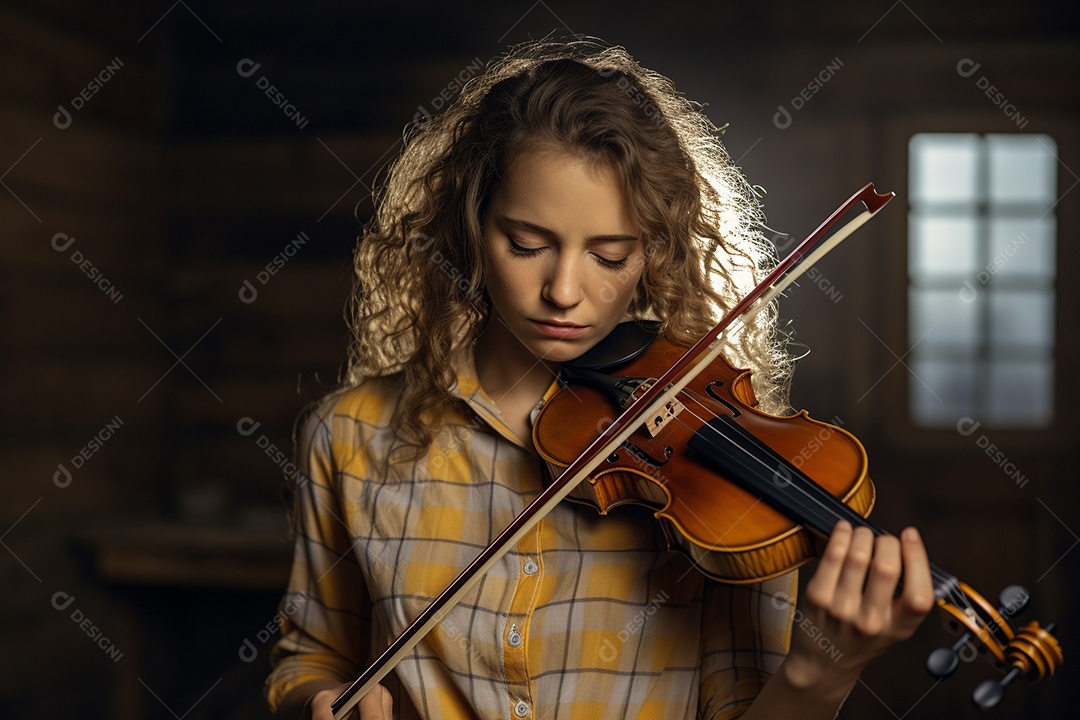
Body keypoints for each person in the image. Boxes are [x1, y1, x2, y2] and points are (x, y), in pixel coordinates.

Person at [264, 38, 934, 720]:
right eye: (527, 245)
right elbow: (313, 656)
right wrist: (319, 701)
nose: (563, 291)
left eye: (610, 255)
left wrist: (822, 673)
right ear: (468, 228)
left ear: (655, 252)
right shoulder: (348, 436)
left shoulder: (721, 485)